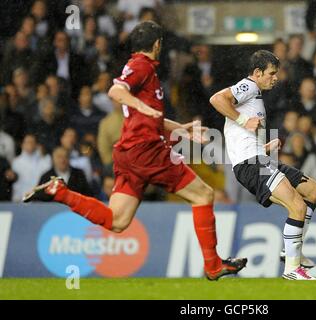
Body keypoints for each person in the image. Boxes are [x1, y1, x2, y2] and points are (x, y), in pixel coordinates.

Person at [23, 21, 246, 281]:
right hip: (148, 152)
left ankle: (60, 193)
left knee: (117, 222)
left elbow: (151, 118)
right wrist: (145, 108)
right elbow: (115, 91)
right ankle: (213, 265)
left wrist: (181, 130)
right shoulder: (141, 67)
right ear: (157, 45)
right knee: (203, 195)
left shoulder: (141, 69)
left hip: (129, 154)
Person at [210, 50, 316, 281]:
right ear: (257, 73)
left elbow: (241, 134)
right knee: (297, 206)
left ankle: (293, 254)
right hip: (251, 164)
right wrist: (243, 120)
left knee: (313, 190)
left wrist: (265, 148)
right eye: (271, 73)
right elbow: (217, 99)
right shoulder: (248, 86)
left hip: (259, 158)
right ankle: (292, 269)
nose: (275, 78)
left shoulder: (255, 95)